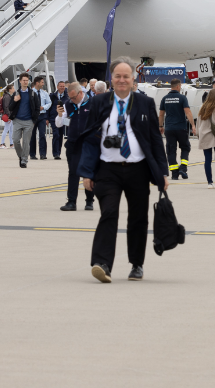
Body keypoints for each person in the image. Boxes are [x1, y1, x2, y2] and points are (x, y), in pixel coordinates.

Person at [77, 58, 168, 283]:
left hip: (138, 169)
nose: (121, 80)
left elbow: (155, 139)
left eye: (126, 76)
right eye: (117, 76)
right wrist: (86, 173)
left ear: (132, 79)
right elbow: (90, 139)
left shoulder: (145, 103)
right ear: (111, 78)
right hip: (108, 169)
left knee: (138, 218)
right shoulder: (99, 102)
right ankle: (102, 263)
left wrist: (163, 172)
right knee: (108, 213)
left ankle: (137, 264)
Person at [59, 82, 96, 211]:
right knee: (73, 172)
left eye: (74, 97)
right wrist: (59, 116)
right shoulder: (68, 105)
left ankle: (89, 200)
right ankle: (71, 201)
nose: (72, 100)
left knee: (89, 173)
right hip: (73, 144)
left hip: (88, 144)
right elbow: (60, 124)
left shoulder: (92, 104)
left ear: (81, 93)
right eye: (70, 98)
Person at [159, 78, 193, 180]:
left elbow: (161, 114)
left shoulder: (165, 98)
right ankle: (183, 168)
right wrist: (193, 125)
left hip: (169, 128)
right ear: (178, 86)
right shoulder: (182, 98)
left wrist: (161, 126)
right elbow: (188, 112)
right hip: (181, 128)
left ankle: (174, 174)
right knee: (185, 147)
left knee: (171, 150)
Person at [8, 73, 40, 168]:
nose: (25, 82)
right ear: (20, 81)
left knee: (26, 142)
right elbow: (10, 107)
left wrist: (34, 120)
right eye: (24, 80)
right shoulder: (16, 93)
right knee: (15, 140)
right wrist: (15, 100)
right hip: (17, 120)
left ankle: (24, 161)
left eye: (27, 80)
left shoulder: (33, 94)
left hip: (29, 121)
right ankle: (21, 156)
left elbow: (37, 107)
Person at [29, 75, 51, 159]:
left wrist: (43, 107)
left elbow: (49, 103)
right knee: (32, 135)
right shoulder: (30, 92)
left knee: (42, 135)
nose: (43, 84)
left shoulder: (44, 93)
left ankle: (43, 154)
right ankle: (32, 154)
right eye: (42, 82)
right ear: (37, 83)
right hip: (33, 116)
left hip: (42, 116)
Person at [49, 81, 68, 159]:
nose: (62, 88)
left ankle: (58, 152)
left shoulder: (67, 97)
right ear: (57, 87)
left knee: (61, 135)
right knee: (56, 134)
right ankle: (55, 153)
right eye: (61, 86)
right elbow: (49, 108)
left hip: (64, 118)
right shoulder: (52, 96)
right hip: (54, 118)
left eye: (63, 86)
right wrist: (47, 118)